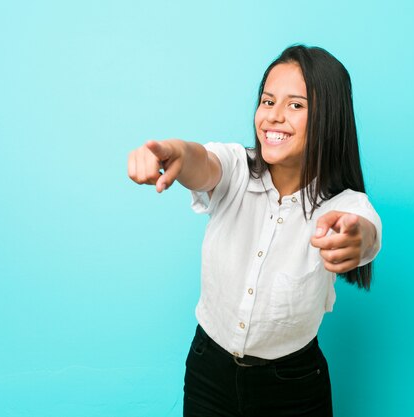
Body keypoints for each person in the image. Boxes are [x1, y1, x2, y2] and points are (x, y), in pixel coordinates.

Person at [127, 45, 382, 417]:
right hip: (208, 371)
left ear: (330, 117)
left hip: (294, 385)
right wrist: (174, 151)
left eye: (296, 105)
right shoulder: (236, 167)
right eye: (267, 101)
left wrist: (356, 239)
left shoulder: (341, 204)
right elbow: (202, 161)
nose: (274, 117)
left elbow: (366, 230)